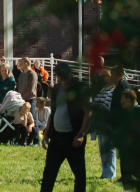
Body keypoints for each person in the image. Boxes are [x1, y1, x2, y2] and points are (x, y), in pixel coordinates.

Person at [40, 64, 92, 192]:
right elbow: (53, 113)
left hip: (73, 138)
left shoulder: (80, 88)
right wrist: (46, 135)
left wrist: (81, 134)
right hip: (56, 138)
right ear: (57, 76)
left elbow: (89, 113)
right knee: (49, 174)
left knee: (79, 175)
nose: (63, 78)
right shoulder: (56, 89)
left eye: (65, 75)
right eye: (60, 76)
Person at [92, 68, 117, 179]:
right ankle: (105, 172)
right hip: (99, 123)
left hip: (108, 124)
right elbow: (94, 103)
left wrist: (96, 107)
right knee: (102, 149)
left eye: (104, 76)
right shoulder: (102, 89)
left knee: (109, 149)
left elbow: (105, 106)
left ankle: (110, 173)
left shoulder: (113, 90)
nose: (101, 78)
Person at [17, 57, 39, 124]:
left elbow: (30, 90)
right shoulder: (21, 75)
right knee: (23, 120)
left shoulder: (32, 74)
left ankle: (35, 131)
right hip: (22, 100)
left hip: (30, 100)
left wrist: (21, 97)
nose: (19, 65)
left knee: (31, 120)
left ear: (26, 64)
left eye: (21, 63)